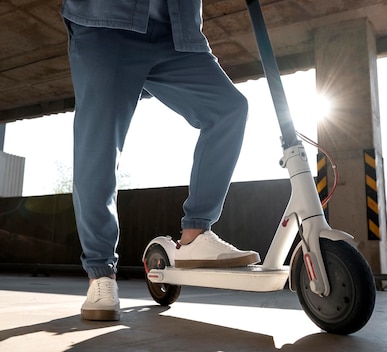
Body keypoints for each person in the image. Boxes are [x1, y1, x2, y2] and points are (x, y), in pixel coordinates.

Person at [60, 0, 260, 321]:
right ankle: (101, 274)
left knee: (229, 110)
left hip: (177, 34)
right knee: (99, 146)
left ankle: (195, 234)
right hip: (107, 24)